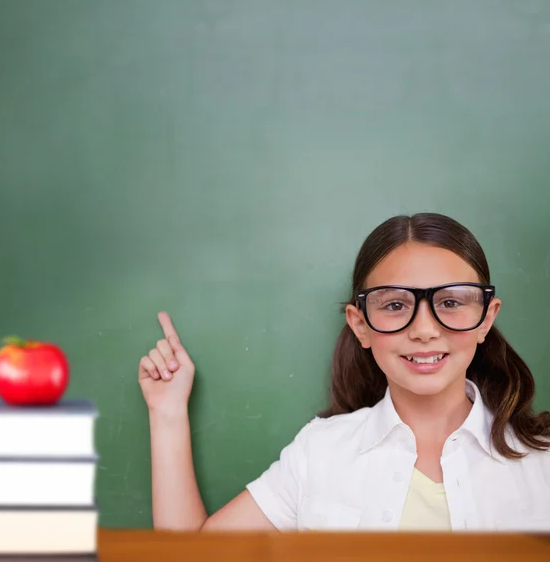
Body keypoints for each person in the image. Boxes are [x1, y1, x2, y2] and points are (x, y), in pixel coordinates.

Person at [138, 212, 550, 532]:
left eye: (451, 303)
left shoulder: (541, 461)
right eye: (394, 305)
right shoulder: (320, 453)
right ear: (360, 325)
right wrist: (167, 411)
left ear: (485, 318)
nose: (425, 330)